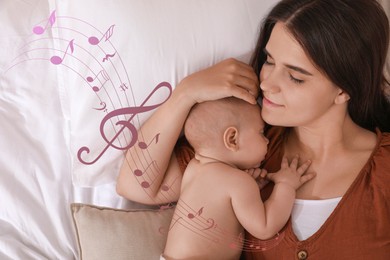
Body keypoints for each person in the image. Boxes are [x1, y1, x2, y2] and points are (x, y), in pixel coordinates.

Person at [117, 0, 390, 258]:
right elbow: (137, 185)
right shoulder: (244, 148)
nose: (268, 83)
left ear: (344, 89)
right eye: (269, 61)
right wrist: (185, 94)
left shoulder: (383, 170)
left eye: (295, 77)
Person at [162, 97, 313, 260]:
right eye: (261, 132)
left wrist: (251, 188)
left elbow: (218, 204)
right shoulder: (238, 182)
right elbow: (265, 227)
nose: (267, 140)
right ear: (232, 139)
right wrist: (286, 185)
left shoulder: (194, 168)